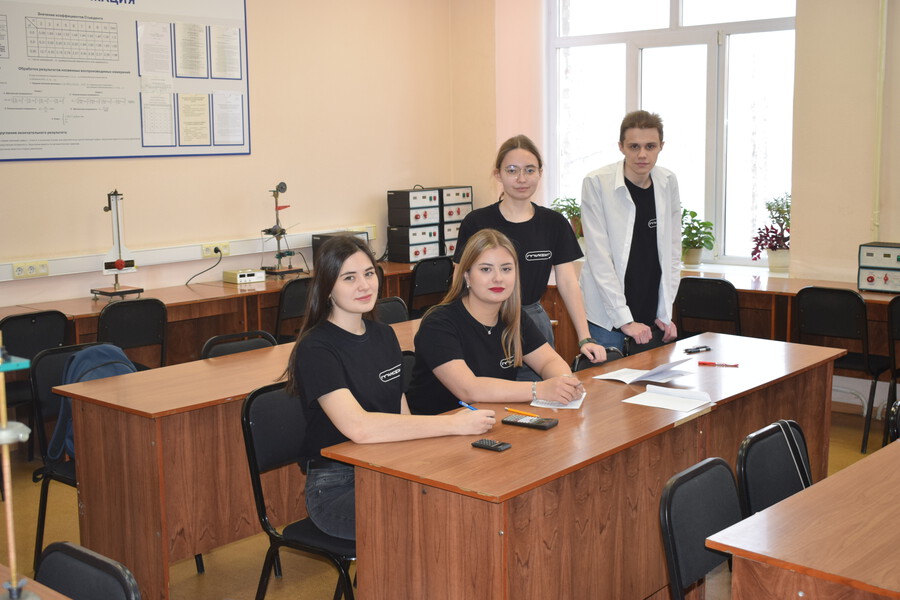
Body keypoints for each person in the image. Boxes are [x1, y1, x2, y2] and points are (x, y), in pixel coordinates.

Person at [285, 235, 495, 540]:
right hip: (337, 486)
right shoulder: (316, 348)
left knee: (466, 488)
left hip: (387, 465)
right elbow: (359, 428)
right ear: (327, 287)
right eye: (349, 278)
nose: (364, 285)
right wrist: (452, 424)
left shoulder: (383, 335)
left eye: (369, 274)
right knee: (433, 513)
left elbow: (401, 416)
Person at [453, 134, 606, 376]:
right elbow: (460, 280)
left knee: (542, 392)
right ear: (498, 174)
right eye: (512, 170)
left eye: (529, 170)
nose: (521, 179)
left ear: (540, 173)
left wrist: (585, 337)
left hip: (532, 322)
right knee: (487, 391)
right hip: (486, 322)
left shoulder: (554, 223)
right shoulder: (477, 222)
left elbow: (568, 283)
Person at [407, 228, 584, 416]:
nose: (498, 278)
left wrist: (564, 382)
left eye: (506, 269)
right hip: (440, 425)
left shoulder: (514, 317)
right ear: (467, 276)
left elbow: (548, 361)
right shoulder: (438, 324)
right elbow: (469, 390)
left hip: (492, 419)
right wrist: (538, 389)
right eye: (486, 269)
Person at [580, 110, 681, 354]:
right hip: (607, 319)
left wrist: (665, 312)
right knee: (608, 380)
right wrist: (624, 320)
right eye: (634, 146)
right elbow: (599, 257)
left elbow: (672, 251)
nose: (642, 154)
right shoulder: (597, 183)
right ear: (621, 147)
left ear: (661, 146)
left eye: (650, 146)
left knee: (653, 379)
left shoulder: (668, 181)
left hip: (652, 317)